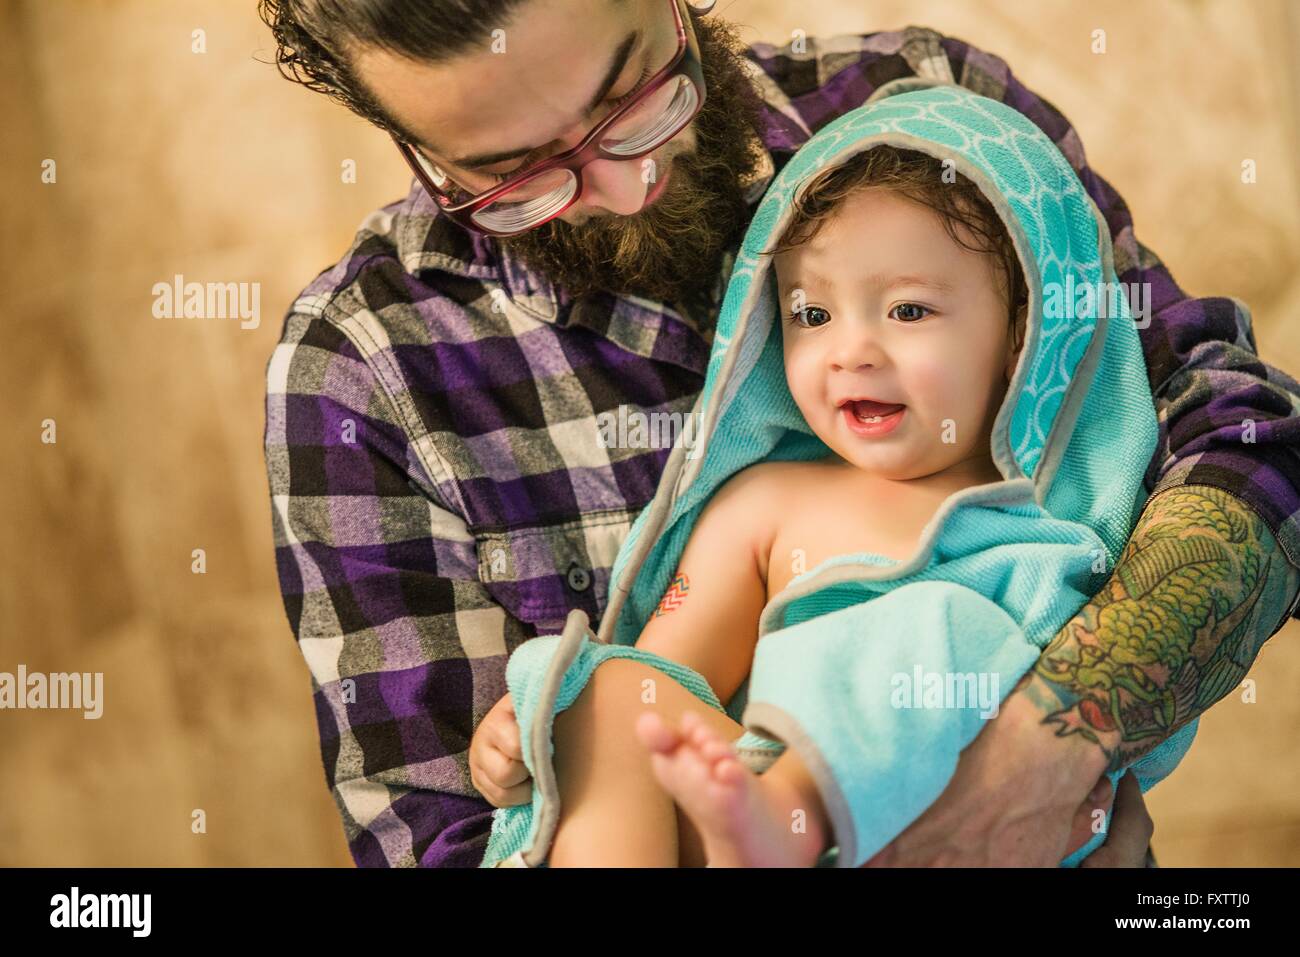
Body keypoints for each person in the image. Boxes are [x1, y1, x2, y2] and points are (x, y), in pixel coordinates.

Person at [259, 0, 1300, 867]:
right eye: (516, 175)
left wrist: (1055, 747)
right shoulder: (361, 369)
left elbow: (1243, 437)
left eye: (631, 95)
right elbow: (467, 814)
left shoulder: (940, 128)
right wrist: (548, 723)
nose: (629, 183)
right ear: (411, 147)